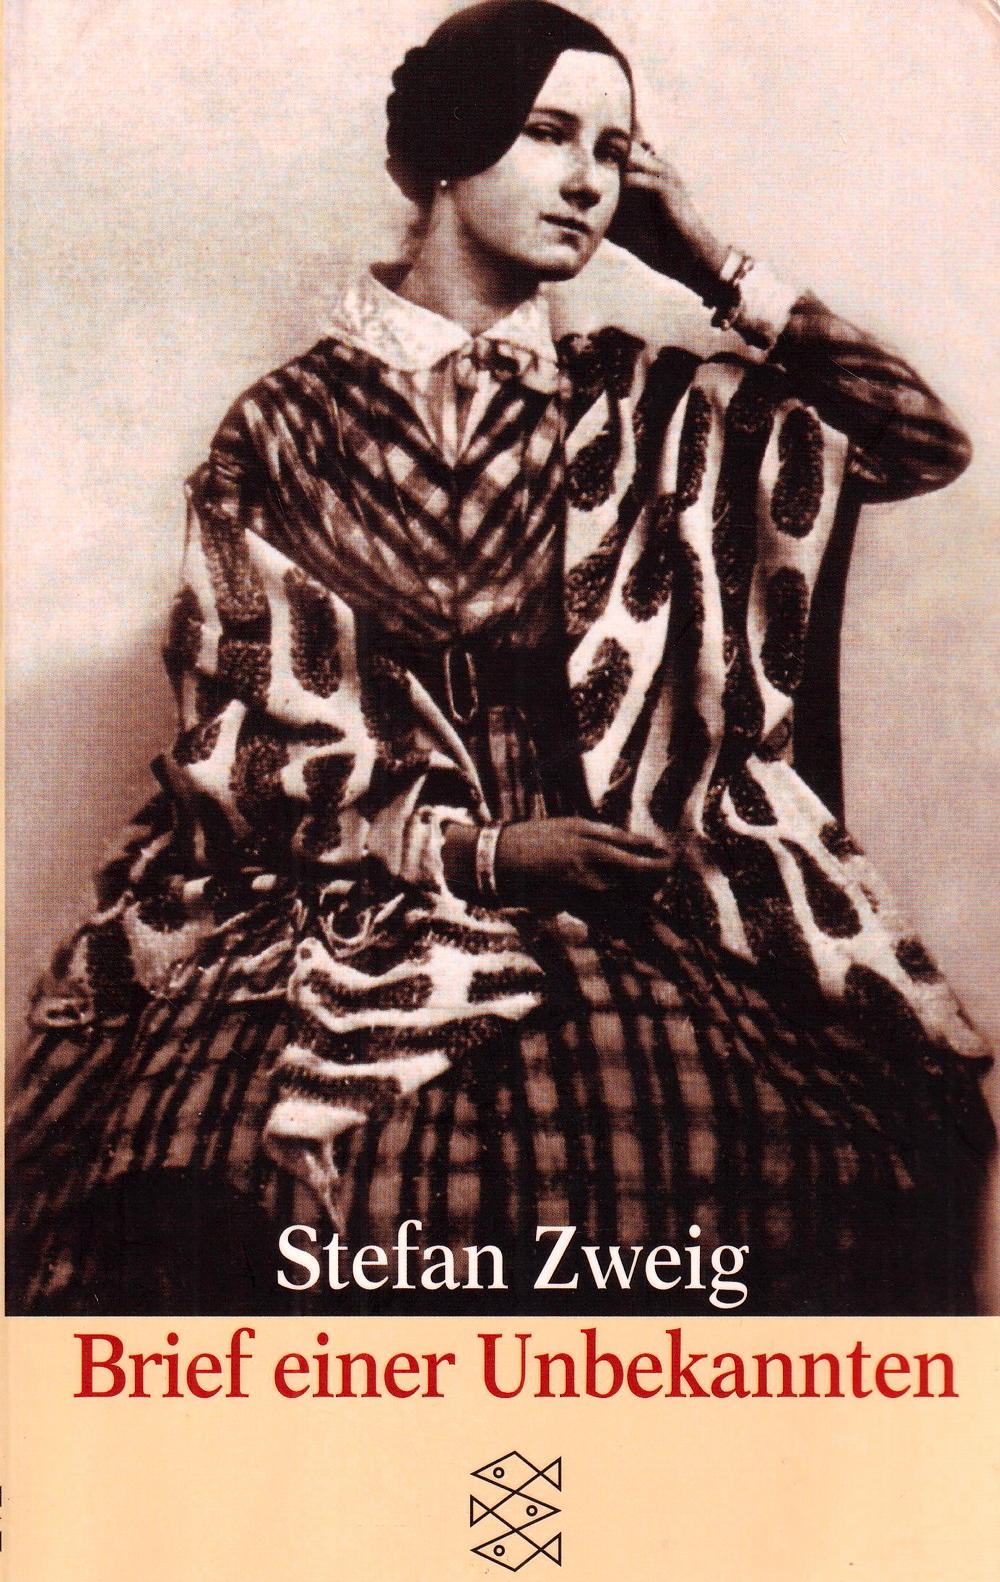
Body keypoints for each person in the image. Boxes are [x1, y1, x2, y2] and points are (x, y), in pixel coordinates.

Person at [7, 0, 994, 1316]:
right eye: (548, 133)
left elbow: (914, 438)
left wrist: (709, 261)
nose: (589, 179)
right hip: (353, 884)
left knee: (759, 1159)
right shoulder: (288, 426)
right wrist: (478, 856)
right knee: (205, 1180)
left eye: (616, 151)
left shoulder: (643, 402)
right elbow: (243, 748)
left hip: (632, 894)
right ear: (447, 152)